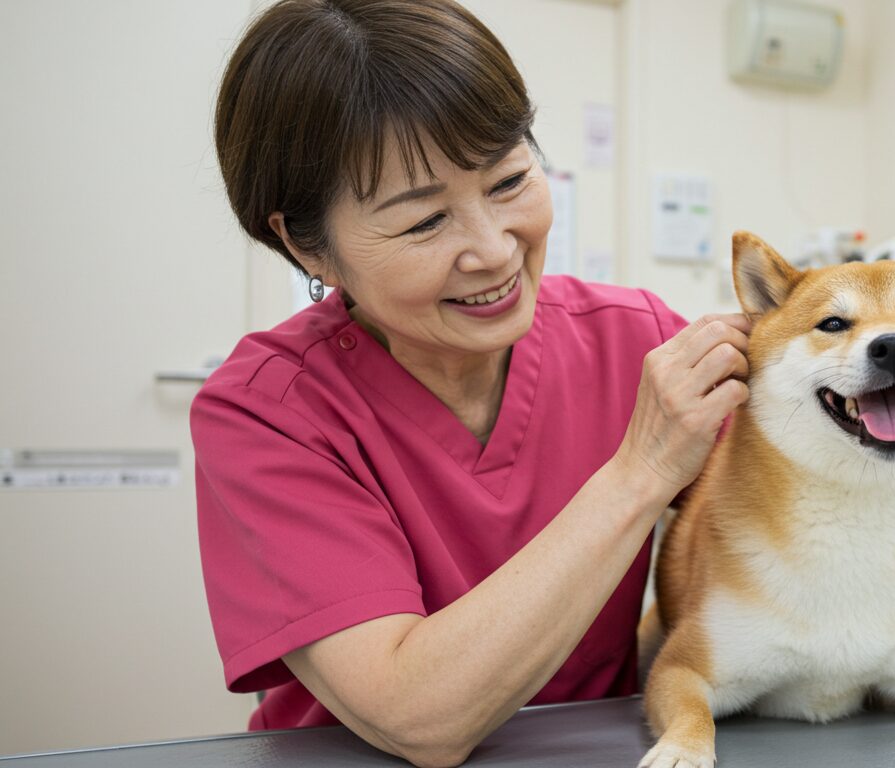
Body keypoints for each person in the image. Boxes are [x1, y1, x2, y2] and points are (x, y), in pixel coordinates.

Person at [192, 1, 749, 765]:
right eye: (423, 223)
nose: (492, 251)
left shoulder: (635, 340)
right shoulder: (266, 414)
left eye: (510, 180)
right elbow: (418, 717)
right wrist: (641, 474)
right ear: (304, 244)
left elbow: (793, 518)